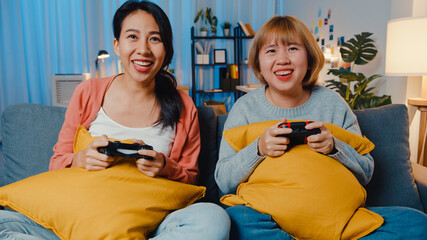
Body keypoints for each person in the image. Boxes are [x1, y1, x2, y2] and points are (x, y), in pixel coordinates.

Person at [0, 1, 230, 239]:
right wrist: (79, 158)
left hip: (153, 220)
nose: (143, 49)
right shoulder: (87, 92)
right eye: (132, 36)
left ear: (166, 49)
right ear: (117, 45)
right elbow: (57, 162)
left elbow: (192, 179)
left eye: (155, 39)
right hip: (81, 213)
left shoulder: (184, 106)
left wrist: (164, 166)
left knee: (213, 219)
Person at [214, 15, 427, 240]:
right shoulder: (244, 108)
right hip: (270, 219)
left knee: (416, 223)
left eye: (293, 48)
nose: (282, 59)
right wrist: (258, 149)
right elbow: (223, 181)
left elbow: (366, 171)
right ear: (258, 62)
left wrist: (334, 147)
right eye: (271, 51)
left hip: (340, 219)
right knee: (238, 220)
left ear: (309, 57)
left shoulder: (333, 104)